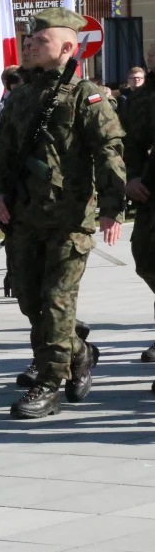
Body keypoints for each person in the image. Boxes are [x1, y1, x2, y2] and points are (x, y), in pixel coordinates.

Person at [0, 8, 125, 419]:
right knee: (31, 304)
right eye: (28, 41)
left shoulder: (86, 95)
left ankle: (48, 384)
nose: (29, 46)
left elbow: (108, 152)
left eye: (40, 41)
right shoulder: (20, 97)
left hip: (67, 220)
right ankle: (79, 352)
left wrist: (112, 207)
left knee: (56, 303)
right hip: (24, 218)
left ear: (67, 48)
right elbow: (1, 154)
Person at [119, 47, 155, 365]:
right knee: (145, 258)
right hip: (150, 192)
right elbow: (130, 142)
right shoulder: (142, 98)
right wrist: (130, 176)